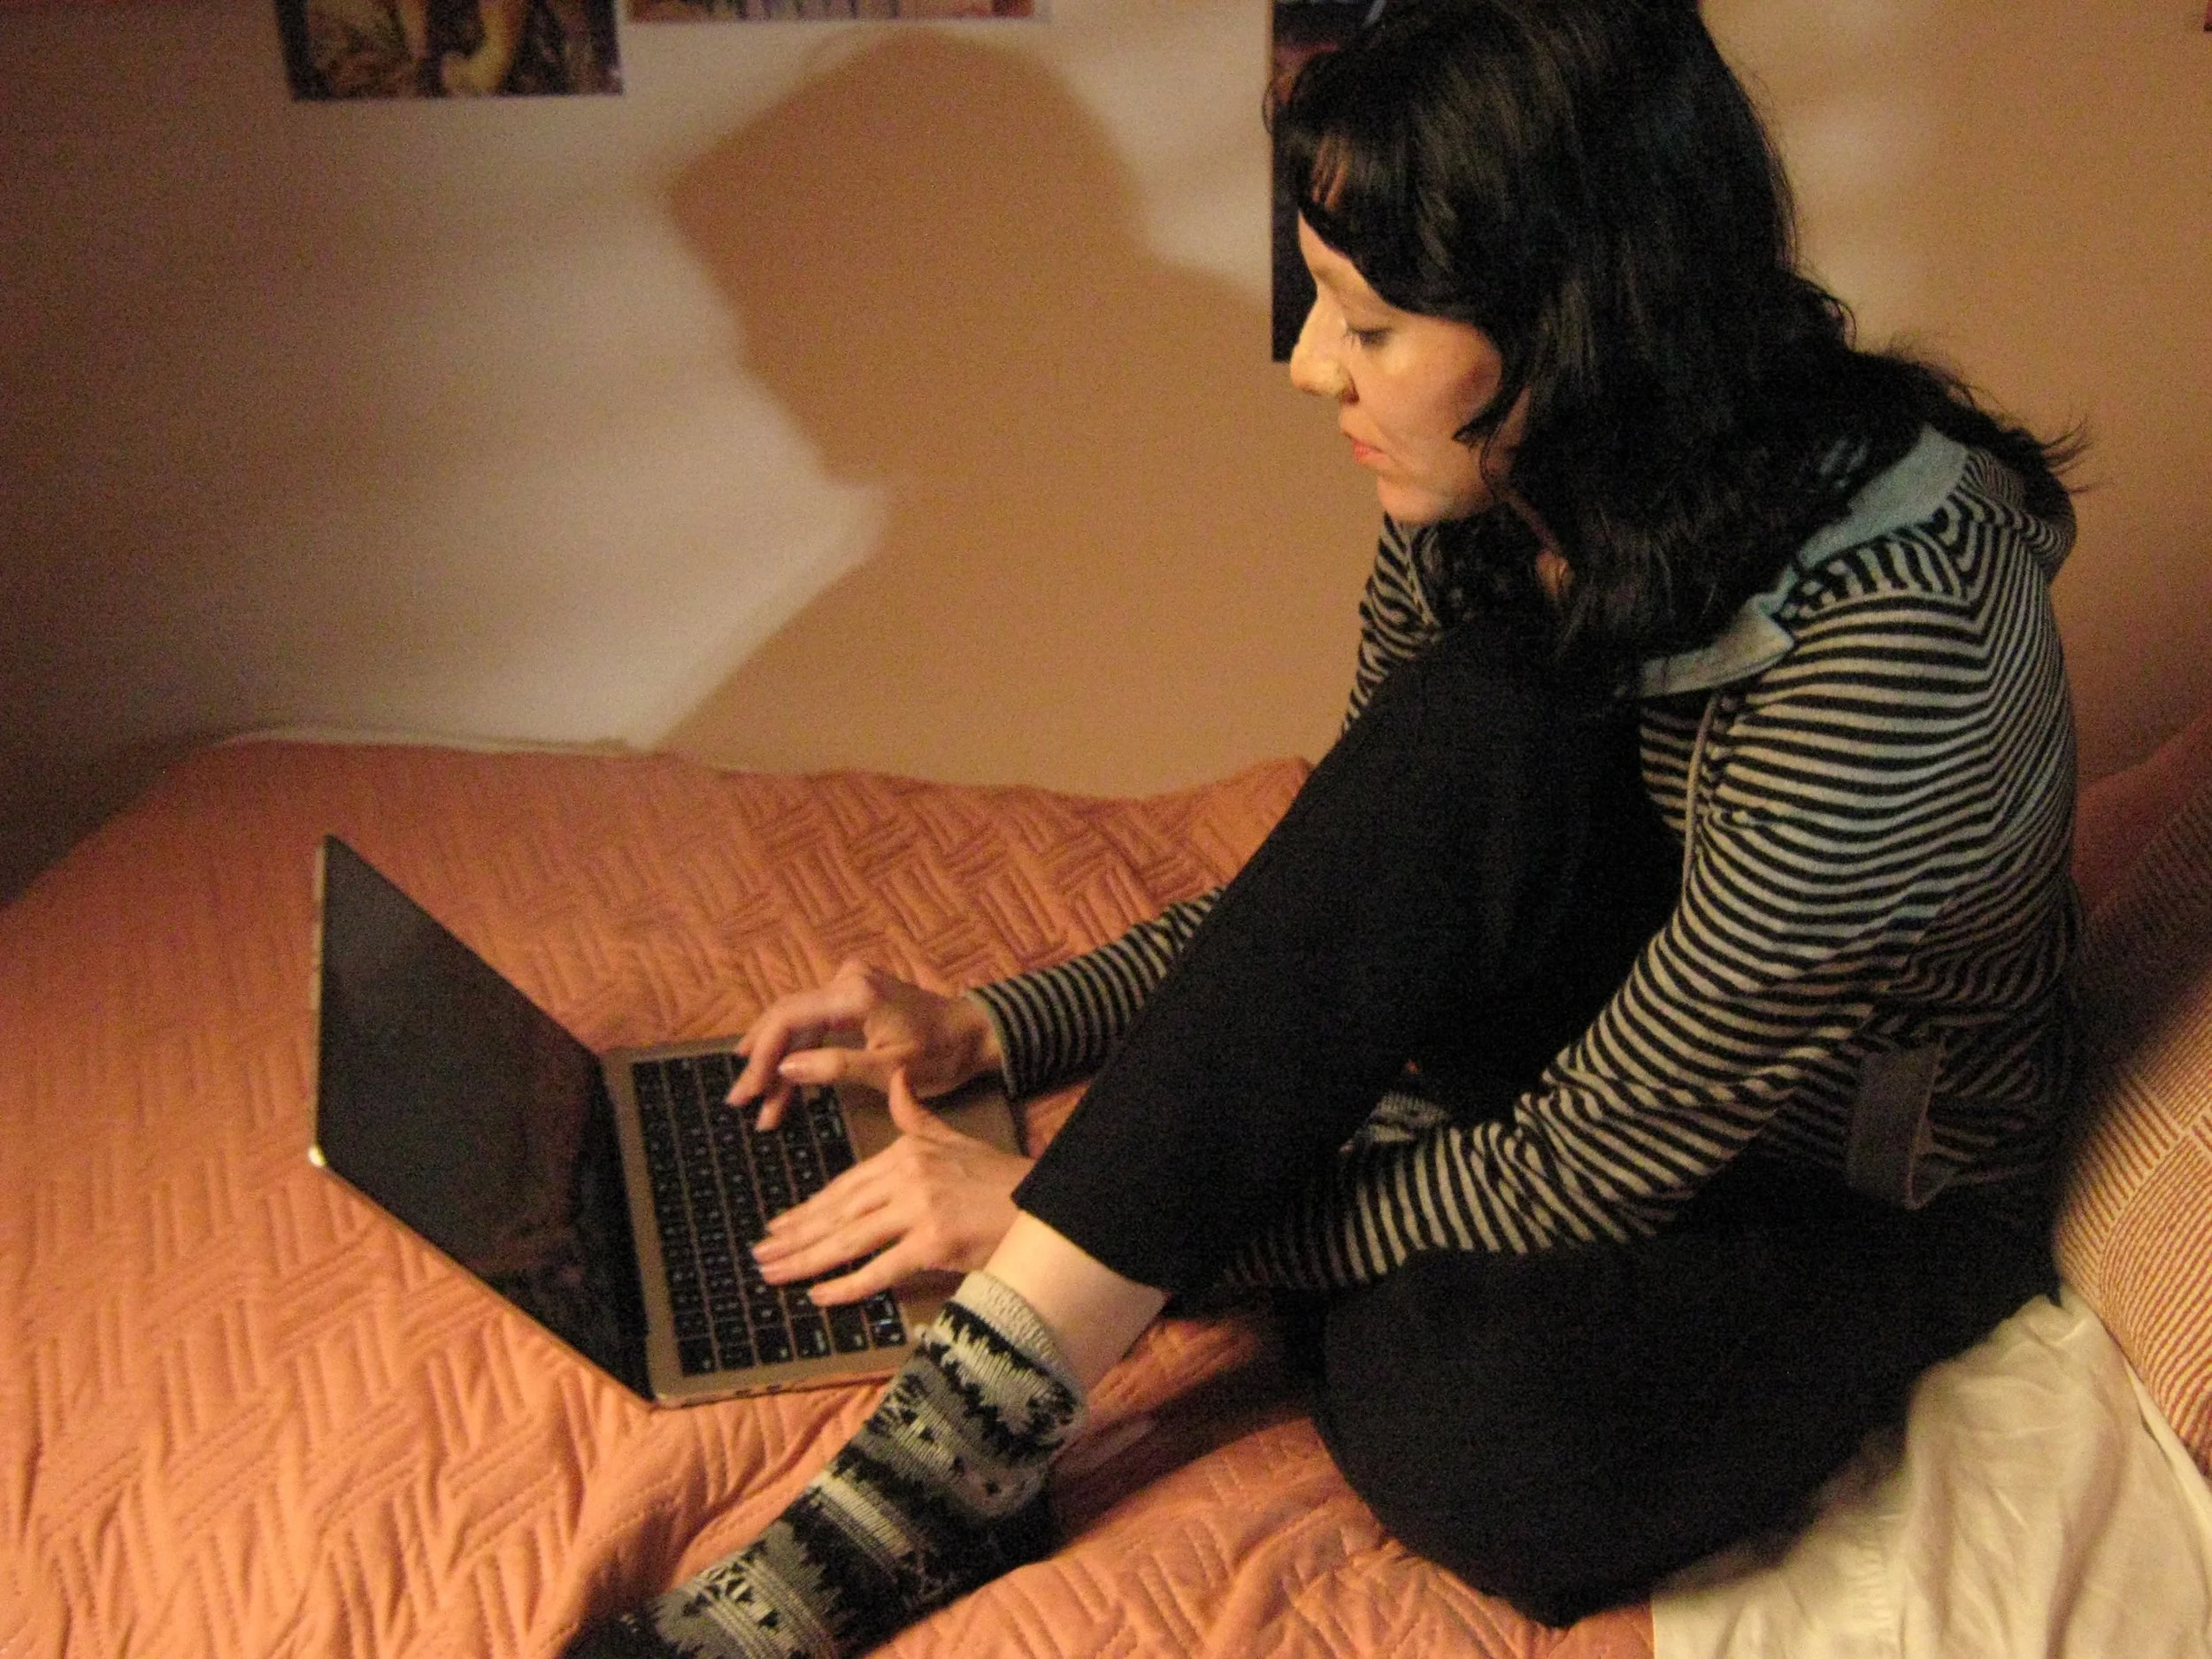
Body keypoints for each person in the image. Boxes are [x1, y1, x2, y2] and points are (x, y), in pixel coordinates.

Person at [568, 0, 2079, 1651]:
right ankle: (947, 1469)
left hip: (1828, 1192)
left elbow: (1593, 1160)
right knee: (1480, 709)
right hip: (1562, 1073)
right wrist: (999, 1024)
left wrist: (1116, 1218)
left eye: (1371, 326)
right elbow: (1338, 900)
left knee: (1498, 1440)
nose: (1309, 369)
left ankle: (1069, 1327)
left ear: (1581, 318)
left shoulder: (1895, 634)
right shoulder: (1504, 492)